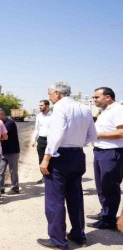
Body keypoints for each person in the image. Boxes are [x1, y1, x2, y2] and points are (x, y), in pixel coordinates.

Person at [37, 81, 96, 249]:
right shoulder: (84, 108)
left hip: (60, 156)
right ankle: (79, 235)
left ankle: (58, 240)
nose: (49, 97)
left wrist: (46, 158)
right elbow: (92, 135)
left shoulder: (60, 108)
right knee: (75, 197)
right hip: (77, 155)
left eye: (50, 94)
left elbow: (56, 136)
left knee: (54, 200)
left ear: (57, 93)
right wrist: (76, 143)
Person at [86, 87, 123, 230]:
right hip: (100, 152)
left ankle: (109, 220)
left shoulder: (118, 109)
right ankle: (105, 212)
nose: (94, 100)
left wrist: (97, 134)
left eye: (96, 97)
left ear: (108, 97)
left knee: (110, 187)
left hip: (112, 153)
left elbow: (121, 131)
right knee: (101, 186)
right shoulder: (105, 112)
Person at [0, 108, 20, 195]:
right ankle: (0, 189)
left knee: (13, 171)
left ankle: (15, 188)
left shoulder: (10, 123)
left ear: (2, 115)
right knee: (0, 171)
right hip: (2, 152)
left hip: (12, 152)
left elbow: (1, 134)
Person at [31, 100, 52, 184]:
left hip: (51, 140)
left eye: (41, 105)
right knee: (41, 158)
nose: (40, 107)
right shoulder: (39, 116)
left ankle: (52, 176)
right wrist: (34, 140)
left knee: (51, 158)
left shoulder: (54, 115)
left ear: (47, 105)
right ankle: (44, 177)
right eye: (39, 105)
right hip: (41, 139)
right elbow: (37, 129)